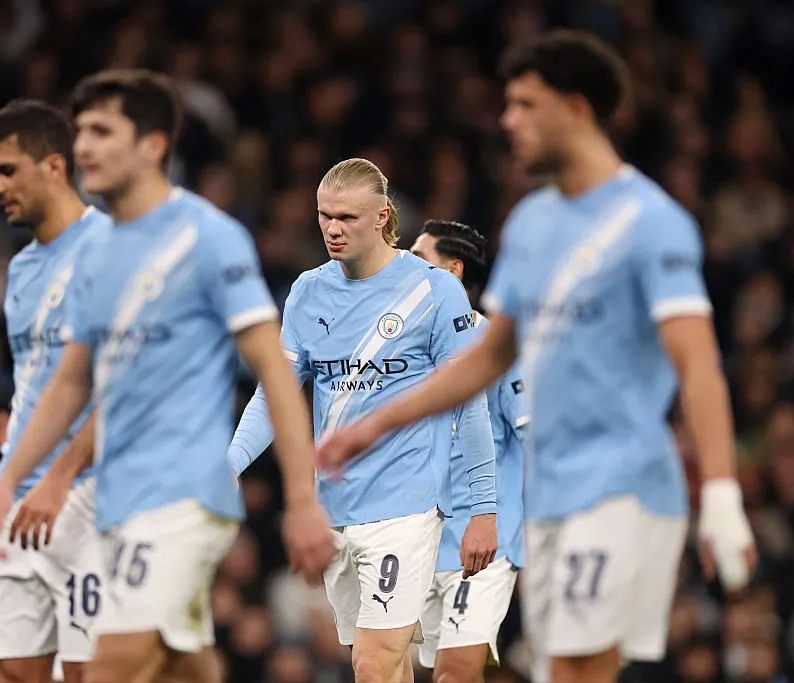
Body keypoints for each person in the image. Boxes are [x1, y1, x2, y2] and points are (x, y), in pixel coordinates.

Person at [316, 31, 757, 683]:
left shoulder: (651, 221)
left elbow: (697, 362)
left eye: (524, 104)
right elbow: (488, 355)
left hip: (621, 482)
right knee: (569, 670)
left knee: (575, 666)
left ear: (576, 109)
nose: (507, 121)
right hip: (552, 492)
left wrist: (720, 490)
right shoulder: (531, 225)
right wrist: (378, 423)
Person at [0, 69, 335, 683]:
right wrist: (7, 481)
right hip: (116, 497)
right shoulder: (97, 253)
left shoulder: (209, 237)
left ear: (153, 146)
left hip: (182, 494)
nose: (84, 145)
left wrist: (302, 499)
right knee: (179, 664)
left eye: (101, 130)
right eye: (80, 130)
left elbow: (274, 371)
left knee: (110, 667)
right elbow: (68, 384)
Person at [227, 157, 499, 683]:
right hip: (332, 508)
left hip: (407, 504)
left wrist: (483, 509)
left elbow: (469, 402)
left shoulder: (434, 290)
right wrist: (231, 463)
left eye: (348, 217)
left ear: (383, 217)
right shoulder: (307, 291)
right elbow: (274, 395)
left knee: (371, 664)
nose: (332, 228)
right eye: (325, 215)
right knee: (382, 666)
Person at [0, 99, 110, 683]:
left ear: (54, 166)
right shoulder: (22, 270)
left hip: (88, 497)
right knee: (12, 672)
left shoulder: (112, 250)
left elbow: (124, 390)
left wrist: (58, 476)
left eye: (7, 170)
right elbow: (41, 376)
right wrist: (20, 435)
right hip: (19, 494)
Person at [409, 220, 528, 683]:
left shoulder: (499, 346)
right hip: (419, 540)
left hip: (484, 541)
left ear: (453, 272)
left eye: (419, 258)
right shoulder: (408, 349)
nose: (403, 266)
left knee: (455, 675)